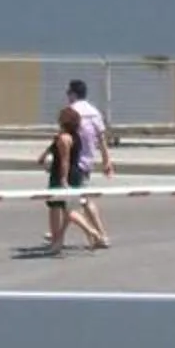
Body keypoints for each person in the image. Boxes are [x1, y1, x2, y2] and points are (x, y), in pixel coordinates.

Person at [41, 102, 108, 252]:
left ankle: (92, 231)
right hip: (71, 173)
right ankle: (57, 241)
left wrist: (63, 180)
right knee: (62, 208)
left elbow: (65, 161)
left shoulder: (64, 138)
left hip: (64, 175)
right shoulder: (73, 136)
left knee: (67, 210)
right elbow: (50, 152)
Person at [65, 76, 113, 248]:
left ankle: (99, 235)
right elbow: (101, 139)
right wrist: (107, 161)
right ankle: (57, 236)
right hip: (87, 162)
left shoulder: (71, 111)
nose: (67, 95)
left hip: (73, 163)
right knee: (77, 200)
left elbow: (64, 138)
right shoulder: (94, 112)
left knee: (77, 202)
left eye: (68, 92)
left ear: (74, 94)